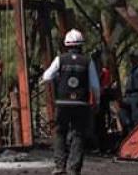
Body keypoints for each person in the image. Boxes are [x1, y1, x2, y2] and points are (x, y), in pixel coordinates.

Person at [41, 29, 99, 175]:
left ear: (66, 45)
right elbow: (95, 85)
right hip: (81, 104)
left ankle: (60, 167)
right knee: (78, 134)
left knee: (60, 133)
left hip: (62, 103)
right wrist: (96, 102)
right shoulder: (88, 61)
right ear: (81, 45)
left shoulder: (60, 59)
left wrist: (59, 78)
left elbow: (47, 76)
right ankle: (74, 169)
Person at [119, 53, 138, 131]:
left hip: (136, 96)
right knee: (123, 113)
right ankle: (129, 131)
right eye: (131, 57)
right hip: (128, 96)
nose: (131, 59)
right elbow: (127, 84)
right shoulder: (131, 70)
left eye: (133, 57)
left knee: (137, 119)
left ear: (137, 58)